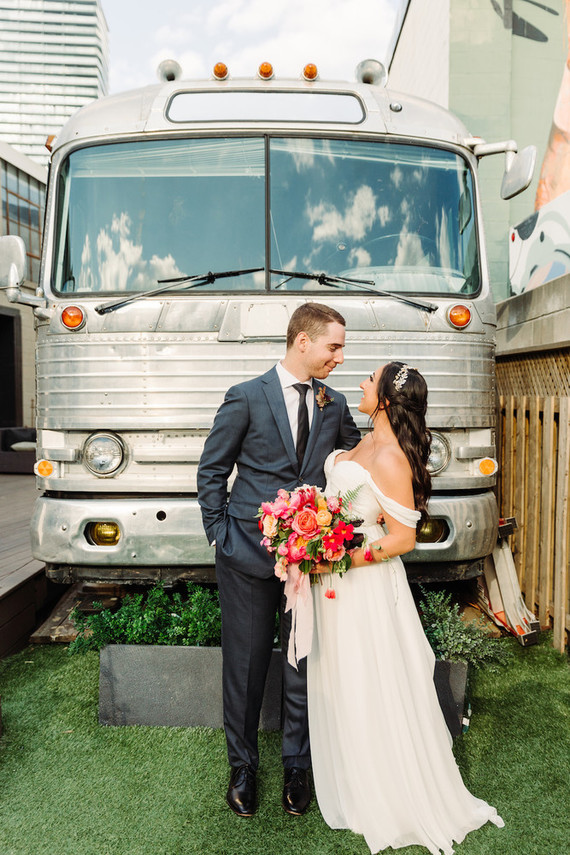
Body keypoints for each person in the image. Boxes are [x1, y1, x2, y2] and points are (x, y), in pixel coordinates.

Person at [307, 362, 504, 855]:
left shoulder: (392, 457)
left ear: (387, 401)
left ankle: (387, 790)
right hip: (336, 583)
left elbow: (402, 538)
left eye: (369, 381)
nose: (360, 385)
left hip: (363, 585)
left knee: (370, 678)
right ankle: (356, 778)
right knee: (342, 678)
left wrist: (340, 558)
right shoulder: (365, 441)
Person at [197, 302, 360, 818]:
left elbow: (357, 464)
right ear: (302, 341)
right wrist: (223, 536)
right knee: (244, 667)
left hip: (311, 561)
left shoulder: (334, 405)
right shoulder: (245, 397)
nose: (339, 356)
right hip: (246, 554)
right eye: (333, 346)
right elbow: (211, 474)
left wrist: (341, 529)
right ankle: (242, 766)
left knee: (301, 663)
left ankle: (297, 764)